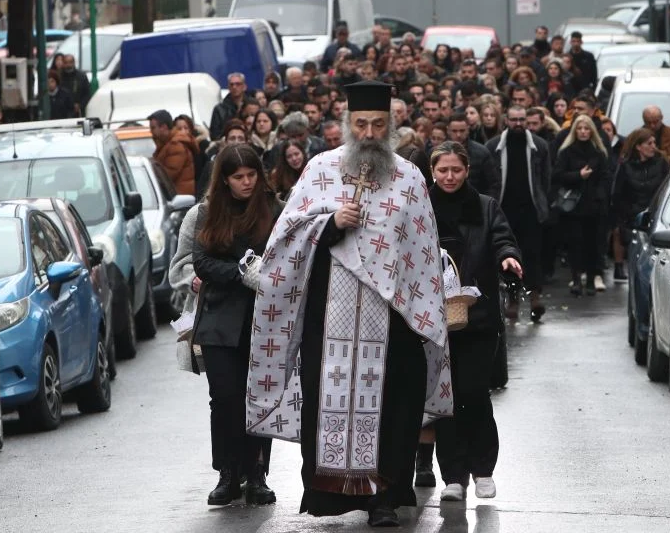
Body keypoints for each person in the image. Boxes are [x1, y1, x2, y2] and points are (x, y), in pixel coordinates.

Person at [244, 80, 453, 528]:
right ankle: (332, 494)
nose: (370, 132)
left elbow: (423, 251)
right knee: (329, 396)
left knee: (395, 402)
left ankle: (385, 497)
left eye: (379, 124)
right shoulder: (320, 170)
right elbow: (284, 240)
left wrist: (419, 312)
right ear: (347, 124)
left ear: (391, 125)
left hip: (393, 317)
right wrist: (330, 224)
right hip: (329, 314)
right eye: (362, 124)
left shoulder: (410, 177)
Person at [171, 144, 281, 506]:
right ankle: (228, 472)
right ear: (225, 179)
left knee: (259, 399)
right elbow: (199, 261)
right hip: (219, 320)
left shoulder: (273, 209)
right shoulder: (207, 213)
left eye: (252, 175)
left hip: (264, 319)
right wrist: (240, 273)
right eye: (238, 177)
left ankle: (258, 473)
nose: (247, 183)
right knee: (226, 398)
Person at [427, 141, 522, 502]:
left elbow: (502, 238)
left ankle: (483, 470)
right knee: (445, 398)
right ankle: (452, 476)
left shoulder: (485, 206)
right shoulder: (422, 208)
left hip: (479, 317)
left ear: (467, 170)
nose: (449, 177)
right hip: (434, 318)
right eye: (442, 170)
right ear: (432, 172)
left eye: (456, 170)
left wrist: (508, 258)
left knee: (474, 392)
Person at [484, 104, 550, 322]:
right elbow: (491, 179)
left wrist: (542, 202)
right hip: (505, 209)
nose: (519, 124)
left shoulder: (539, 146)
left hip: (531, 209)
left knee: (533, 254)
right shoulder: (494, 146)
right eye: (514, 120)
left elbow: (546, 179)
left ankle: (535, 298)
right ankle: (512, 300)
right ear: (506, 120)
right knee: (509, 256)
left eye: (522, 119)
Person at [552, 115, 612, 296]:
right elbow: (558, 175)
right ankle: (577, 279)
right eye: (580, 129)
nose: (583, 132)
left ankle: (593, 278)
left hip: (594, 206)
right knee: (575, 244)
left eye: (586, 129)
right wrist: (578, 175)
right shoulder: (567, 152)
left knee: (593, 245)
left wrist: (600, 195)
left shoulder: (598, 152)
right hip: (574, 206)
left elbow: (606, 176)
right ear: (575, 131)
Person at [613, 128, 670, 240]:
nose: (653, 146)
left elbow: (667, 189)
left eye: (654, 142)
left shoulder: (661, 163)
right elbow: (618, 195)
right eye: (649, 143)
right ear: (638, 147)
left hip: (656, 217)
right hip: (632, 220)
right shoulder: (626, 166)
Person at [447, 112, 501, 198]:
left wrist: (485, 205)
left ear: (468, 129)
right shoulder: (437, 153)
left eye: (462, 130)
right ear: (448, 130)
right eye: (454, 131)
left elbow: (493, 184)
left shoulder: (482, 152)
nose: (458, 135)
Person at [150, 109, 198, 196]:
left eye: (153, 128)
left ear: (164, 127)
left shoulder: (175, 146)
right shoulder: (166, 145)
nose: (151, 132)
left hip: (180, 200)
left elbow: (167, 176)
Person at [210, 73, 248, 139]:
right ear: (228, 87)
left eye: (238, 84)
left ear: (244, 87)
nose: (234, 87)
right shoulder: (219, 109)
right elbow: (214, 135)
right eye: (231, 84)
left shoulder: (251, 106)